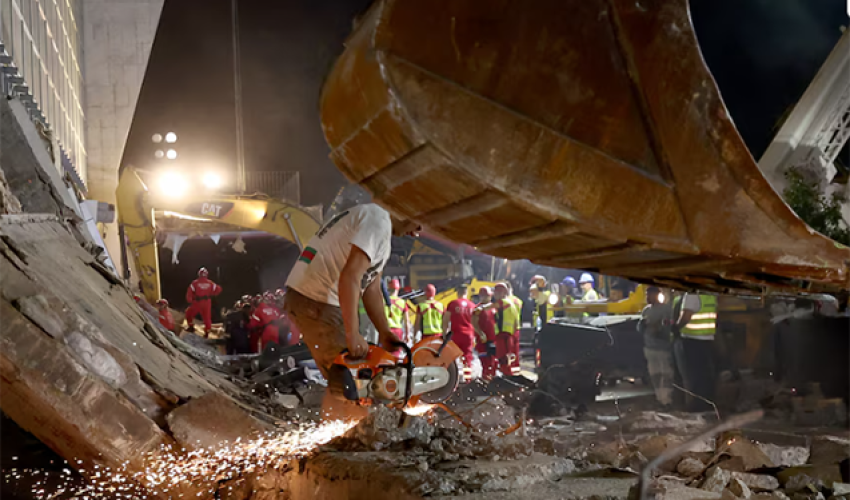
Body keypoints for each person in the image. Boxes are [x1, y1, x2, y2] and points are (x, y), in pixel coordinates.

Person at [282, 203, 420, 420]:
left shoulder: (378, 227)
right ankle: (357, 434)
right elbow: (350, 276)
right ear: (405, 207)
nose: (419, 230)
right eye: (419, 221)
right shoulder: (377, 219)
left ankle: (339, 432)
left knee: (343, 376)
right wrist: (352, 333)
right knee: (353, 376)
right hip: (318, 300)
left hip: (315, 299)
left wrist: (384, 331)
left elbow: (371, 288)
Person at [672, 292, 718, 412]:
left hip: (692, 339)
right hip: (707, 338)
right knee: (705, 375)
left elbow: (686, 316)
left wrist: (676, 327)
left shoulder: (691, 294)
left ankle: (697, 406)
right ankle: (708, 405)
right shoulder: (709, 295)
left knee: (693, 375)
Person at [637, 287, 674, 408]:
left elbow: (670, 326)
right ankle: (659, 398)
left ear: (657, 295)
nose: (647, 297)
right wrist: (642, 325)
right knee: (655, 374)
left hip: (663, 347)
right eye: (647, 295)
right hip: (650, 348)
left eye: (650, 295)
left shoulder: (666, 310)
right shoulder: (646, 311)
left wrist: (660, 329)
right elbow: (640, 329)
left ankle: (667, 400)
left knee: (666, 374)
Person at [444, 285, 476, 381]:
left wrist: (444, 333)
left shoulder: (453, 304)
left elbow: (446, 319)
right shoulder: (472, 306)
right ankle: (467, 379)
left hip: (456, 334)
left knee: (452, 357)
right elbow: (475, 322)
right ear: (467, 292)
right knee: (467, 358)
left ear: (458, 292)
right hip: (468, 335)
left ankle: (452, 380)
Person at [493, 283, 521, 376]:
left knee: (503, 358)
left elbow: (487, 308)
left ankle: (507, 379)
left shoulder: (502, 302)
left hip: (503, 334)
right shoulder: (517, 301)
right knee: (513, 358)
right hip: (513, 332)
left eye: (497, 292)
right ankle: (515, 378)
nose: (495, 294)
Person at [185, 267, 222, 336]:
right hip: (207, 301)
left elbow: (189, 292)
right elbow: (218, 289)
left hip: (197, 302)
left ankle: (191, 327)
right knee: (207, 317)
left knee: (189, 313)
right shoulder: (210, 283)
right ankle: (207, 332)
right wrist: (212, 294)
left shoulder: (195, 283)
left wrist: (190, 299)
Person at [473, 286, 497, 380]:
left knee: (494, 362)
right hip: (483, 340)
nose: (486, 298)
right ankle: (486, 380)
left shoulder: (493, 307)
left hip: (493, 340)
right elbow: (474, 322)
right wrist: (480, 333)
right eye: (483, 296)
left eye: (487, 296)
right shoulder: (478, 309)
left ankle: (492, 380)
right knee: (486, 362)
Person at [385, 279, 411, 343]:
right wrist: (407, 335)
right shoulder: (403, 303)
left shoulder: (383, 301)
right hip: (397, 330)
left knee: (385, 352)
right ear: (398, 289)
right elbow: (407, 321)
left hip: (385, 330)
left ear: (388, 288)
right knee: (396, 351)